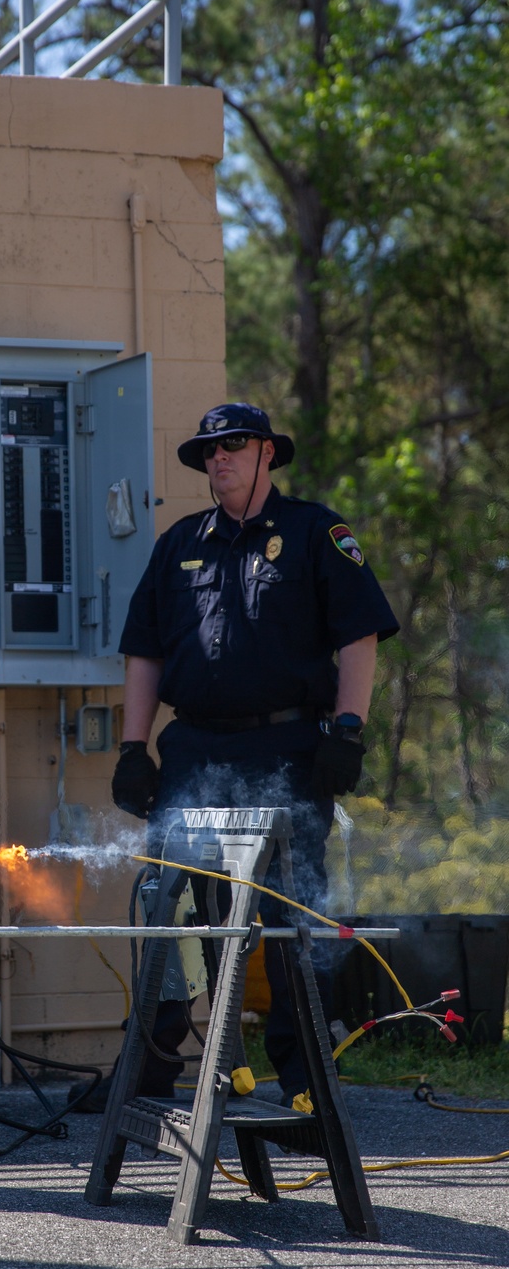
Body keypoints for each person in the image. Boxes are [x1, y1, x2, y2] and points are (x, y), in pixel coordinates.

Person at [109, 402, 400, 1105]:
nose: (220, 458)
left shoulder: (313, 531)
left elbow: (359, 635)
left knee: (290, 907)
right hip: (195, 746)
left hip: (288, 745)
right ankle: (153, 1065)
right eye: (209, 449)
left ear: (268, 452)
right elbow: (144, 652)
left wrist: (348, 730)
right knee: (172, 904)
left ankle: (303, 1076)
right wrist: (132, 747)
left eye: (234, 445)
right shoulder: (180, 541)